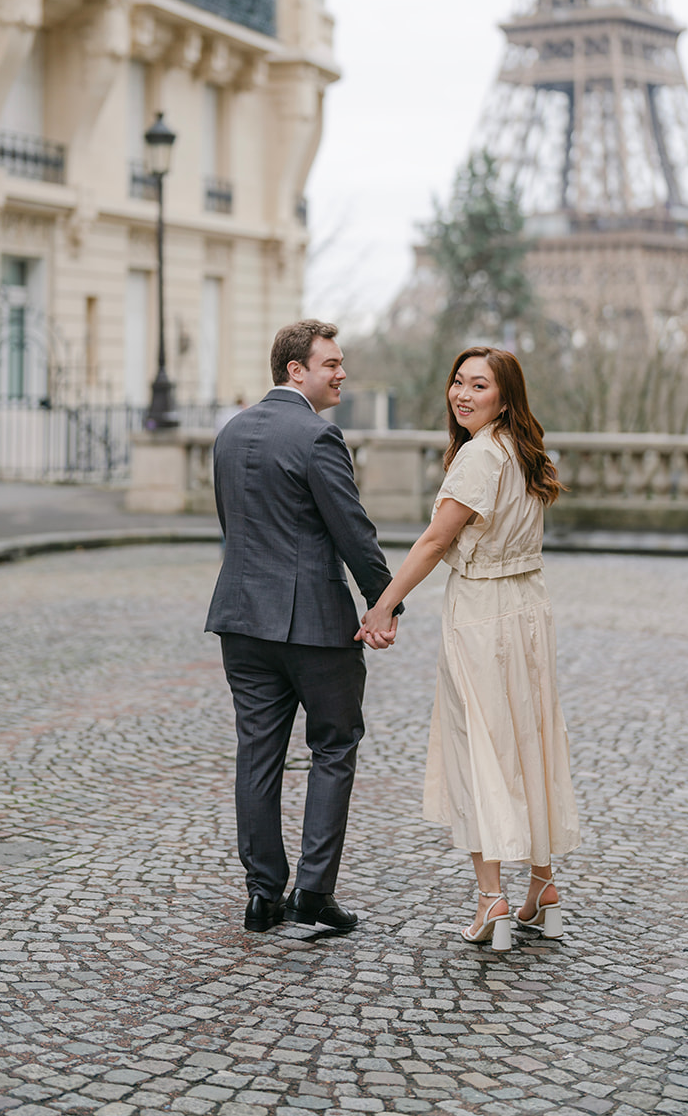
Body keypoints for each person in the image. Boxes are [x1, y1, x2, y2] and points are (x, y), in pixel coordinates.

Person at [357, 346, 579, 950]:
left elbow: (433, 542)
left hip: (483, 612)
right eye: (457, 381)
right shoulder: (527, 452)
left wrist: (383, 605)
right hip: (530, 608)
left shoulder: (480, 457)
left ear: (505, 397)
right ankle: (542, 884)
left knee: (479, 744)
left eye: (478, 385)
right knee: (529, 740)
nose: (462, 394)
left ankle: (492, 899)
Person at [205, 319, 399, 936]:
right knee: (334, 747)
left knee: (257, 756)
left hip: (240, 619)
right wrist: (384, 600)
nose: (341, 373)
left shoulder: (230, 433)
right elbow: (352, 530)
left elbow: (230, 525)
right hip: (313, 626)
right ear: (296, 370)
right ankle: (312, 894)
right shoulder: (319, 437)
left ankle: (262, 895)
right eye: (331, 364)